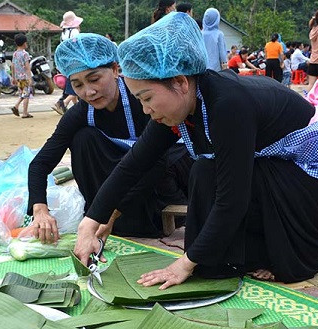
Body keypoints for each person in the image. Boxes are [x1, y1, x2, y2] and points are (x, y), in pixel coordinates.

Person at [74, 12, 318, 288]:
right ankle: (239, 256)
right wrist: (91, 221)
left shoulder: (227, 105)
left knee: (217, 173)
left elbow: (231, 200)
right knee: (204, 170)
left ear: (180, 82)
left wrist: (184, 264)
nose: (146, 110)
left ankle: (294, 254)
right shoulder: (181, 104)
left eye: (147, 98)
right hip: (285, 171)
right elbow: (133, 164)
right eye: (138, 100)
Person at [25, 33, 192, 244]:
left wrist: (110, 213)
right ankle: (102, 215)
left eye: (94, 79)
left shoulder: (143, 101)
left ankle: (136, 220)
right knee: (83, 139)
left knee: (158, 161)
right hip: (123, 176)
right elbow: (40, 163)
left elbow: (154, 164)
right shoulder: (81, 113)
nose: (89, 92)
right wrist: (40, 209)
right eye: (77, 85)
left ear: (114, 70)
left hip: (160, 173)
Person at [52, 11, 83, 115]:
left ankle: (76, 107)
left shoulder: (64, 33)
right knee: (77, 83)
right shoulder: (74, 32)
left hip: (66, 61)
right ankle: (64, 103)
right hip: (75, 60)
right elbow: (78, 46)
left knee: (72, 81)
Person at [11, 33, 34, 119]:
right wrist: (30, 78)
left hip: (18, 78)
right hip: (25, 77)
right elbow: (27, 67)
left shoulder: (15, 54)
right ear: (24, 43)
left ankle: (16, 106)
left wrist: (13, 77)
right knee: (26, 95)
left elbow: (12, 65)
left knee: (23, 94)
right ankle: (24, 112)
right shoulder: (25, 54)